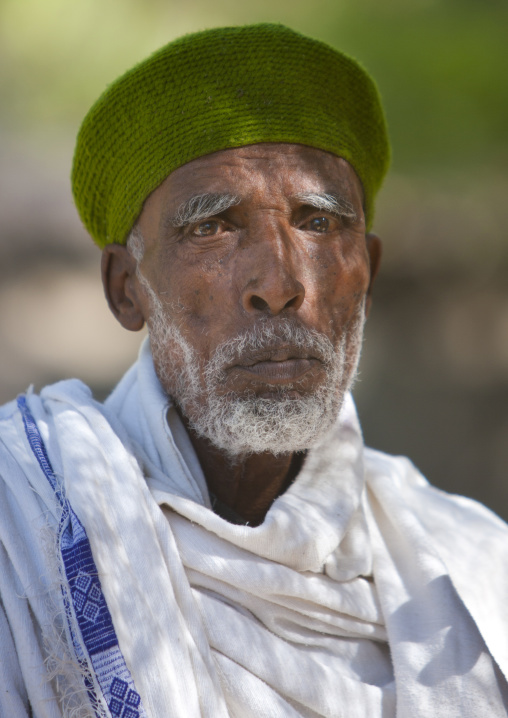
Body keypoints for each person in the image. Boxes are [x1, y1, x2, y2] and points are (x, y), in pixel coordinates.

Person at [0, 23, 507, 718]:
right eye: (211, 227)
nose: (280, 282)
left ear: (368, 276)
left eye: (319, 223)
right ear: (126, 289)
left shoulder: (477, 568)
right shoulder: (21, 533)